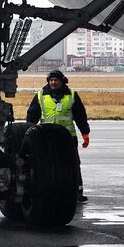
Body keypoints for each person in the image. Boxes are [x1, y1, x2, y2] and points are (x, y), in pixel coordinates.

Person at [25, 69, 90, 202]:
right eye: (51, 80)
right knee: (45, 164)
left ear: (62, 81)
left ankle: (78, 191)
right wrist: (28, 133)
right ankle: (47, 190)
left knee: (73, 164)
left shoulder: (71, 95)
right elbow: (32, 116)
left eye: (56, 80)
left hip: (67, 136)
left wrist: (85, 133)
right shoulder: (40, 95)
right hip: (47, 136)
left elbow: (80, 116)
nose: (53, 83)